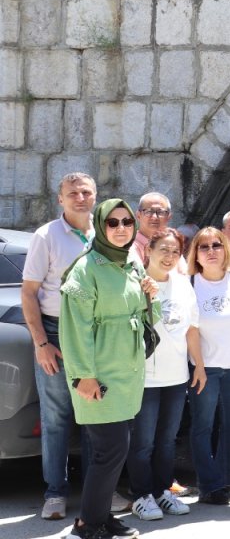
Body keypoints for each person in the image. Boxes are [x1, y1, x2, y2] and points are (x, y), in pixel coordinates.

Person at [60, 198, 156, 539]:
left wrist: (151, 296)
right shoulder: (85, 269)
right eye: (112, 223)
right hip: (99, 373)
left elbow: (148, 320)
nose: (120, 229)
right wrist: (83, 376)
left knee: (115, 451)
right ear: (100, 226)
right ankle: (87, 523)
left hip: (126, 371)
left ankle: (100, 517)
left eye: (126, 223)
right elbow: (74, 330)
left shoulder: (131, 263)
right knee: (110, 451)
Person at [20, 173, 97, 521]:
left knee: (98, 416)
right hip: (55, 331)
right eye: (72, 193)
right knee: (56, 419)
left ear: (95, 196)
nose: (80, 198)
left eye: (86, 192)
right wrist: (41, 343)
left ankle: (99, 492)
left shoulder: (107, 232)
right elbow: (29, 292)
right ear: (60, 199)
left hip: (96, 333)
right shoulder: (46, 236)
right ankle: (55, 494)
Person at [128, 228, 200, 521]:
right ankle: (141, 495)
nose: (170, 257)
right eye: (163, 250)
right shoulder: (134, 284)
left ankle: (162, 491)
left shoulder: (183, 284)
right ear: (148, 251)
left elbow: (192, 328)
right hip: (144, 377)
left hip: (176, 375)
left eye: (175, 251)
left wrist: (200, 366)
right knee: (143, 442)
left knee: (167, 440)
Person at [186, 227, 230, 506]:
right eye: (204, 247)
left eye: (216, 245)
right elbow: (190, 330)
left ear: (226, 249)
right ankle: (210, 485)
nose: (211, 251)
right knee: (203, 426)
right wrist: (199, 366)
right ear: (196, 254)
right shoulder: (190, 284)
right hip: (205, 367)